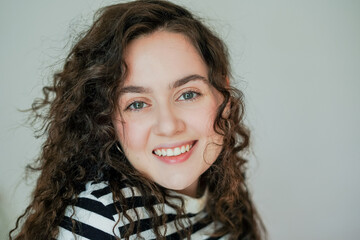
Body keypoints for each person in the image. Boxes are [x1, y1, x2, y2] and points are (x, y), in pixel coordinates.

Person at [10, 0, 266, 239]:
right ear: (105, 120)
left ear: (224, 96)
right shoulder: (100, 218)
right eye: (137, 104)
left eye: (188, 94)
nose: (168, 125)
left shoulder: (223, 197)